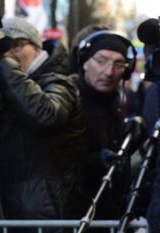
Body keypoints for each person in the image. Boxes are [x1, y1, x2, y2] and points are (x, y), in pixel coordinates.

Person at [0, 17, 88, 229]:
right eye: (1, 49)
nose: (8, 54)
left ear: (36, 46)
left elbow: (44, 114)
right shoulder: (9, 91)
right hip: (18, 210)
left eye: (15, 46)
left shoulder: (59, 82)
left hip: (48, 214)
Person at [70, 29, 137, 221]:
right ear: (83, 62)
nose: (109, 72)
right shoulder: (67, 101)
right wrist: (92, 162)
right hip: (76, 214)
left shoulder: (116, 104)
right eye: (101, 61)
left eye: (119, 64)